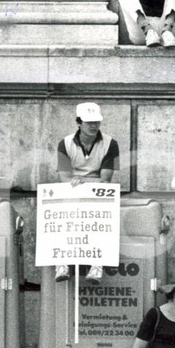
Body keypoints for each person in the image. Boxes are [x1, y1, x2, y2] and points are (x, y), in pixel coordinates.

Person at [54, 102, 120, 285]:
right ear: (79, 123)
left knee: (101, 221)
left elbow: (106, 179)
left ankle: (97, 264)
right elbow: (63, 178)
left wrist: (83, 182)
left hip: (97, 194)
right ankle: (62, 262)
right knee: (59, 219)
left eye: (96, 122)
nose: (93, 126)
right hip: (71, 193)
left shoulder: (110, 143)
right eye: (89, 122)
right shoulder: (65, 143)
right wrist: (78, 183)